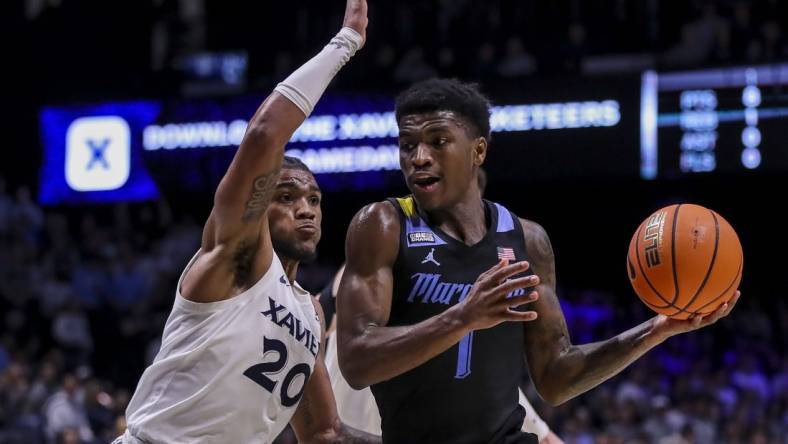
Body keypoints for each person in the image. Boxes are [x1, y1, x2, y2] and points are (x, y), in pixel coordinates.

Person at [335, 78, 740, 444]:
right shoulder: (383, 225)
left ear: (478, 151)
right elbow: (356, 360)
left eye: (438, 141)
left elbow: (555, 377)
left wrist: (655, 330)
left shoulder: (527, 240)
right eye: (408, 146)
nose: (418, 157)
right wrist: (463, 317)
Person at [118, 1, 379, 443]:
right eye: (287, 196)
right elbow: (264, 134)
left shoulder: (311, 313)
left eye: (314, 199)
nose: (306, 208)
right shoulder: (237, 259)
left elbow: (324, 433)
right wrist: (346, 43)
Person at [317, 170, 564, 444]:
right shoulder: (383, 261)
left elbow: (544, 434)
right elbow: (316, 326)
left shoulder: (477, 354)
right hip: (352, 428)